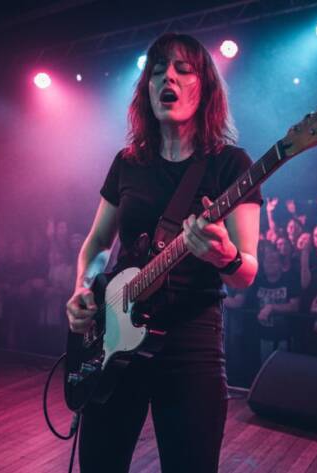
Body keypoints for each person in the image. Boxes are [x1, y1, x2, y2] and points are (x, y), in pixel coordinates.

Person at [65, 33, 261, 473]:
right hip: (113, 334)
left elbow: (246, 271)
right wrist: (82, 287)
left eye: (182, 69)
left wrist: (224, 255)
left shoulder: (231, 166)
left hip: (190, 344)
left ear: (204, 86)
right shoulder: (128, 162)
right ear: (147, 90)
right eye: (157, 70)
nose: (166, 77)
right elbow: (98, 244)